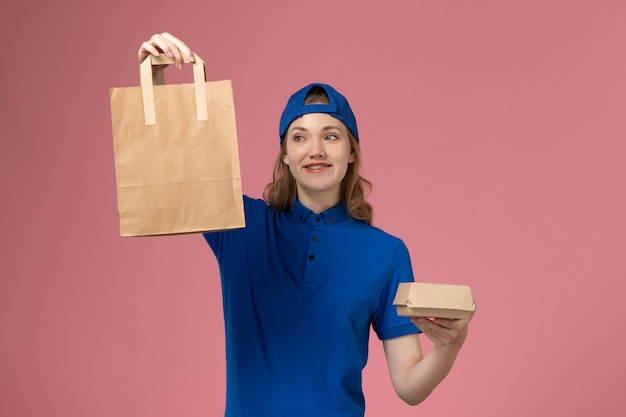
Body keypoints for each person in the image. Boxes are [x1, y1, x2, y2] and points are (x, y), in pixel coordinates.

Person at [138, 32, 474, 417]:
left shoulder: (386, 254)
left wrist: (450, 346)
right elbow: (170, 173)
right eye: (300, 137)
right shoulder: (240, 226)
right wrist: (159, 82)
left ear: (351, 152)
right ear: (285, 154)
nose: (315, 150)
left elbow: (410, 386)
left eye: (330, 136)